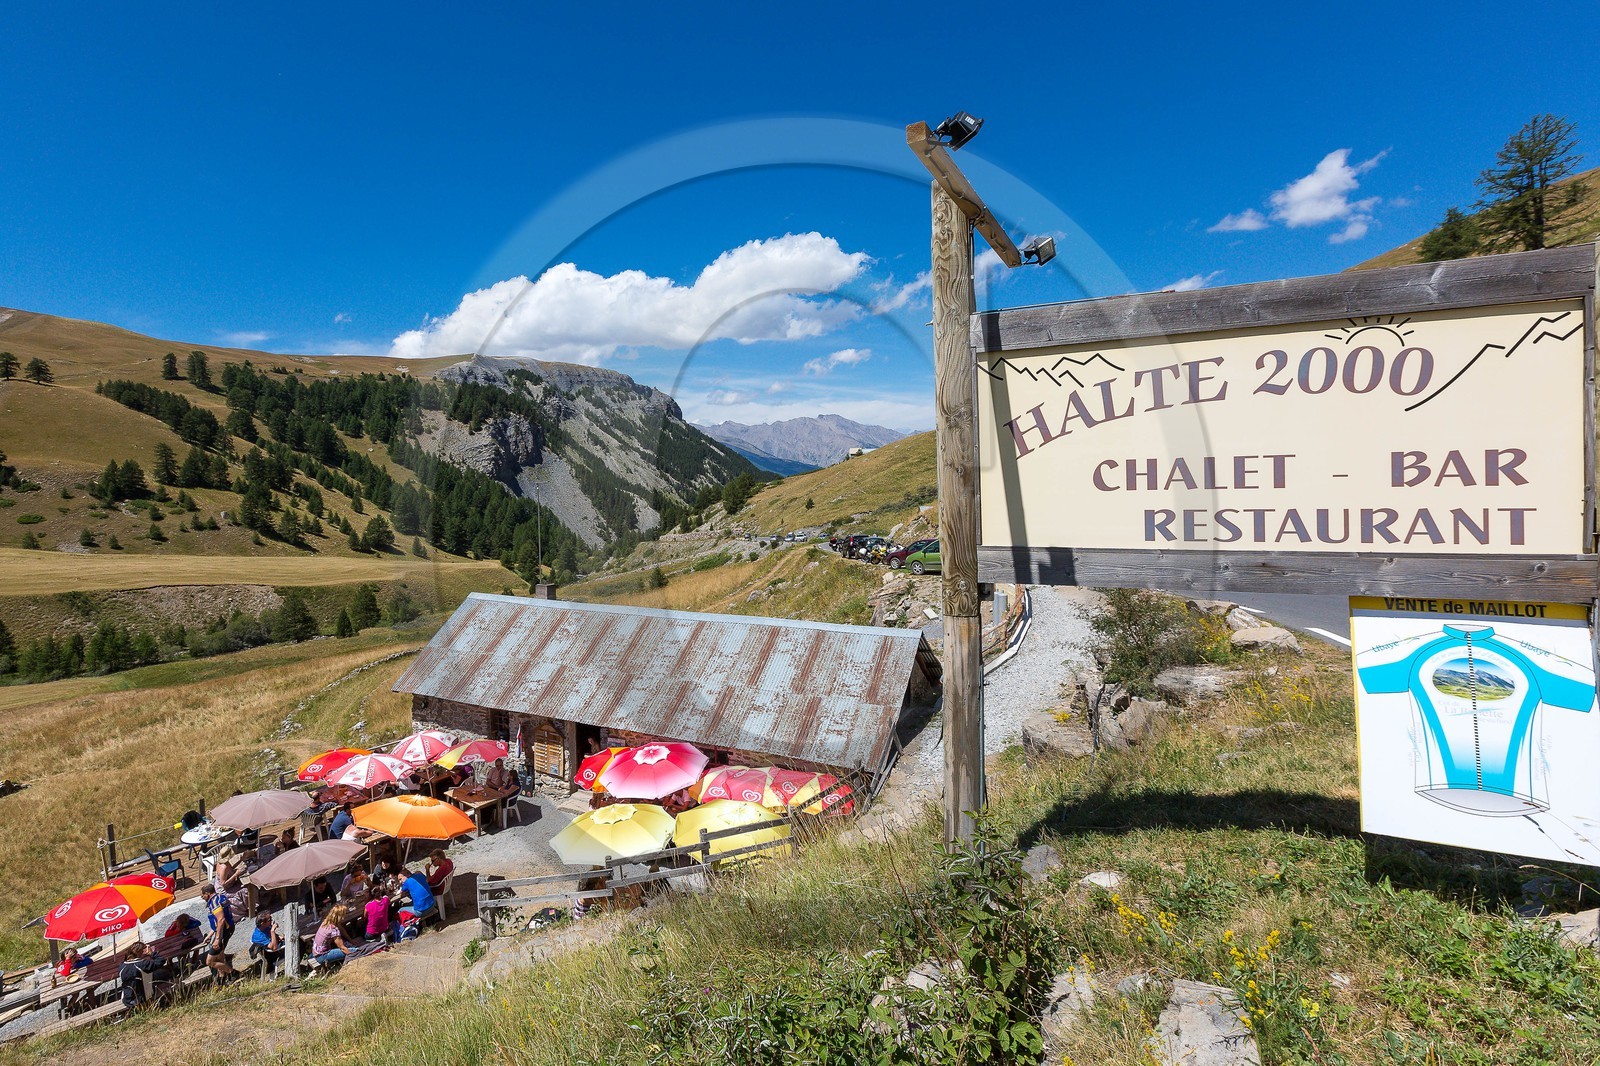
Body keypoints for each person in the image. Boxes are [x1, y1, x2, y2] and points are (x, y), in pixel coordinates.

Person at [199, 884, 237, 985]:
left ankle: (233, 973)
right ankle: (223, 979)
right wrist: (210, 935)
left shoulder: (214, 903)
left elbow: (221, 920)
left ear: (207, 893)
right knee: (220, 956)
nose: (202, 898)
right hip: (225, 930)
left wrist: (217, 939)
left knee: (210, 961)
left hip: (223, 932)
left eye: (203, 895)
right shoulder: (221, 897)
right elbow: (217, 922)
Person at [117, 942, 173, 1008]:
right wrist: (151, 953)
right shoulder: (142, 964)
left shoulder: (121, 966)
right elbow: (161, 961)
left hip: (126, 1000)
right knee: (164, 973)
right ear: (141, 951)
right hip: (141, 999)